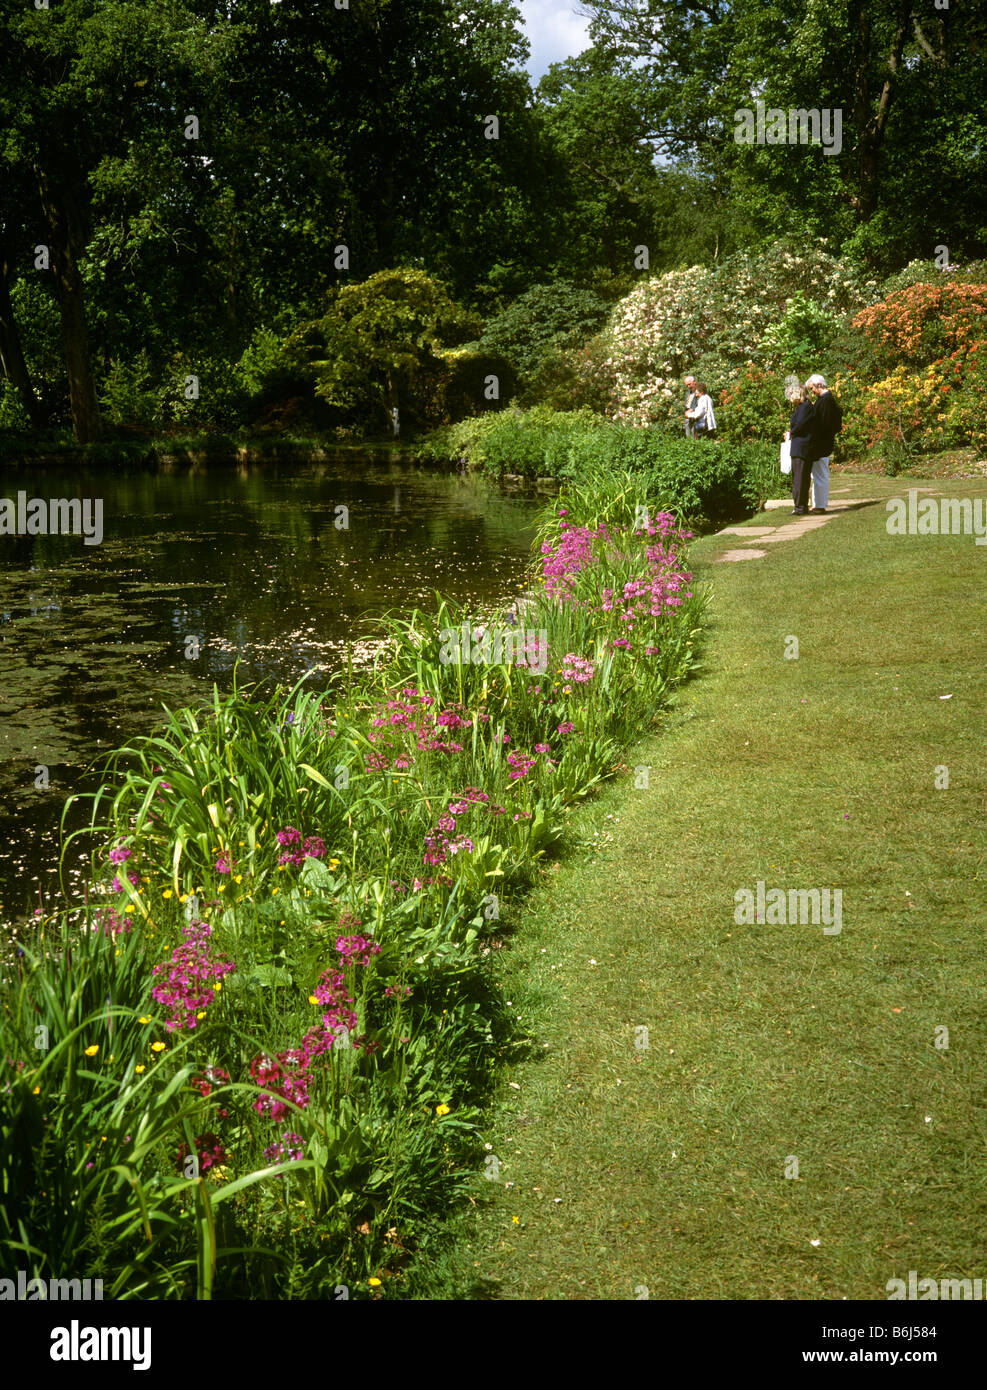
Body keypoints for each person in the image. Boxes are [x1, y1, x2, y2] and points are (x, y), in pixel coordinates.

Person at [806, 374, 842, 514]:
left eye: (812, 388)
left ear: (819, 385)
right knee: (817, 475)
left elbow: (824, 425)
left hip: (821, 445)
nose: (812, 391)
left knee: (820, 475)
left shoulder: (826, 401)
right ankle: (817, 504)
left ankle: (820, 505)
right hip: (821, 444)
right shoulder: (826, 400)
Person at [783, 381, 814, 514]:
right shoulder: (804, 407)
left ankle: (800, 507)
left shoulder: (805, 407)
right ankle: (801, 505)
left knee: (800, 478)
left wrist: (791, 433)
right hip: (801, 446)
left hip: (801, 447)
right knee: (801, 477)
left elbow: (801, 425)